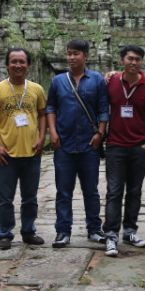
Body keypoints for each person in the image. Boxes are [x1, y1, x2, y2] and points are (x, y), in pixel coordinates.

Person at [46, 39, 109, 248]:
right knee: (63, 191)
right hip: (63, 144)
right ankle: (63, 231)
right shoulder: (58, 81)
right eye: (69, 53)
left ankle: (94, 229)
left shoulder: (97, 80)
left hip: (89, 145)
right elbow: (51, 108)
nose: (71, 57)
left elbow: (103, 109)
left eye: (76, 54)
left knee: (90, 189)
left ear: (86, 56)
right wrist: (52, 132)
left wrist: (100, 133)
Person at [0, 47, 47, 250]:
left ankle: (28, 231)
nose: (18, 65)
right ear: (7, 65)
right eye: (14, 62)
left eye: (22, 62)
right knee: (5, 198)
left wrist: (41, 138)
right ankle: (5, 234)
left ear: (28, 65)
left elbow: (43, 114)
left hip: (31, 152)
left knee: (30, 197)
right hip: (7, 154)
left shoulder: (36, 89)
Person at [103, 45, 145, 257]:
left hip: (139, 146)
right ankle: (110, 234)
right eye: (130, 59)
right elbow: (102, 110)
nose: (133, 62)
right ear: (122, 60)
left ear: (141, 62)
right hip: (116, 145)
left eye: (137, 59)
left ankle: (129, 231)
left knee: (135, 191)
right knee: (114, 191)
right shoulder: (111, 82)